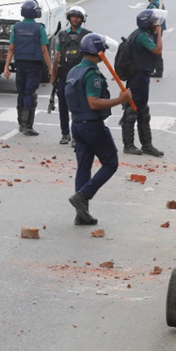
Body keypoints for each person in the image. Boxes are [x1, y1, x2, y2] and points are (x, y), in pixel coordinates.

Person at [66, 33, 131, 226]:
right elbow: (93, 102)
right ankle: (83, 195)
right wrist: (121, 100)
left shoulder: (74, 71)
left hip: (76, 124)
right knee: (111, 163)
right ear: (99, 53)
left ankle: (81, 213)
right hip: (92, 125)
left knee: (84, 167)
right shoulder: (91, 74)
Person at [2, 0, 51, 136]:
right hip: (34, 65)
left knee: (22, 92)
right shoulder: (39, 28)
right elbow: (44, 50)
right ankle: (27, 125)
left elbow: (11, 48)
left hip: (20, 64)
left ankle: (21, 123)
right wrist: (51, 68)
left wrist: (6, 67)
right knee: (30, 93)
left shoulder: (16, 27)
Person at [120, 9, 165, 157]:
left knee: (142, 111)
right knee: (132, 109)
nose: (156, 24)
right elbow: (157, 50)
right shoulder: (141, 37)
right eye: (154, 22)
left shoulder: (141, 34)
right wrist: (159, 33)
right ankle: (129, 145)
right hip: (138, 77)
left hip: (141, 76)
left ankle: (146, 145)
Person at [50, 6, 90, 145]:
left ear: (82, 19)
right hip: (64, 76)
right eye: (73, 16)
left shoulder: (87, 35)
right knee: (63, 106)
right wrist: (53, 74)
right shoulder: (61, 35)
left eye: (79, 17)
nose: (76, 19)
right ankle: (65, 134)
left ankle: (76, 135)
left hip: (81, 78)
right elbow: (57, 56)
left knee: (78, 107)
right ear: (69, 18)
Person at [145, 0, 166, 78]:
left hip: (154, 30)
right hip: (159, 29)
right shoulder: (159, 3)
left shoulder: (153, 5)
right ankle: (159, 70)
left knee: (154, 50)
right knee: (157, 48)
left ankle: (157, 70)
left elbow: (149, 18)